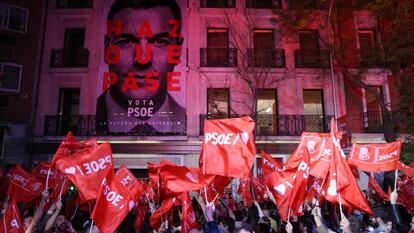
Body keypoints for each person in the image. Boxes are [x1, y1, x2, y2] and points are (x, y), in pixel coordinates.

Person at [96, 0, 186, 135]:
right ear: (107, 46)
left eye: (159, 42)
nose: (142, 60)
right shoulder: (93, 115)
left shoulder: (184, 118)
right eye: (126, 42)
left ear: (178, 50)